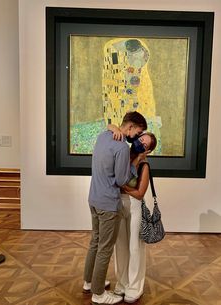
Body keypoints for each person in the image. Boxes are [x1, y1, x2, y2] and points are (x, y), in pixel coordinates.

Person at [83, 111, 147, 305]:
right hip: (108, 204)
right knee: (105, 248)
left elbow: (109, 129)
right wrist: (136, 162)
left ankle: (88, 282)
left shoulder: (103, 136)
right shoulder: (121, 147)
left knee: (95, 242)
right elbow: (121, 180)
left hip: (93, 198)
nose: (137, 136)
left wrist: (111, 126)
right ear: (131, 127)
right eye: (139, 131)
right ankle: (98, 293)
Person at [110, 129, 157, 303]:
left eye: (145, 144)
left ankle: (135, 287)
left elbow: (139, 193)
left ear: (148, 151)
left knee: (135, 247)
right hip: (118, 205)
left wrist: (123, 187)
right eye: (141, 139)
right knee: (120, 246)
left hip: (135, 207)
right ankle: (121, 284)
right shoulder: (123, 156)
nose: (141, 143)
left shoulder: (144, 166)